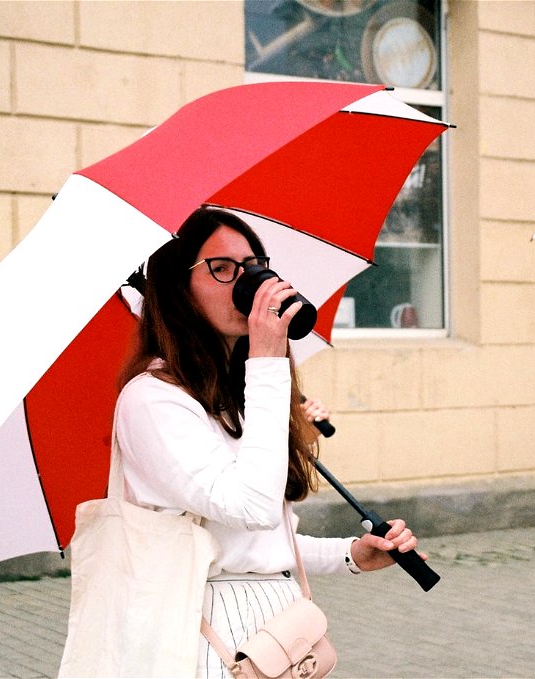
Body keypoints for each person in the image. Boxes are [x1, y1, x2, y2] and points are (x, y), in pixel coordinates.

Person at [114, 206, 425, 676]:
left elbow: (264, 542)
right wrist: (266, 359)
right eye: (222, 269)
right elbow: (251, 508)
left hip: (279, 629)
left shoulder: (234, 395)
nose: (247, 282)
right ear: (178, 288)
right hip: (205, 634)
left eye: (255, 265)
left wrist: (352, 555)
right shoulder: (153, 399)